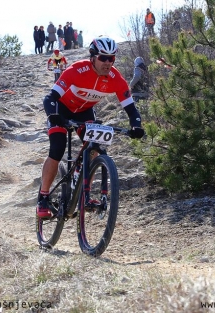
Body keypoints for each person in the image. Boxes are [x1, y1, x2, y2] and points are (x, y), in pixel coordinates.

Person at [36, 36, 145, 219]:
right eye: (103, 57)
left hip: (84, 112)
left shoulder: (115, 78)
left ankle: (82, 184)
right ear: (93, 57)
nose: (108, 63)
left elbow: (130, 107)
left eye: (112, 58)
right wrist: (54, 116)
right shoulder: (77, 70)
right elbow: (50, 98)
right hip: (61, 110)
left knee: (94, 146)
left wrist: (136, 125)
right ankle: (43, 197)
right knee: (57, 148)